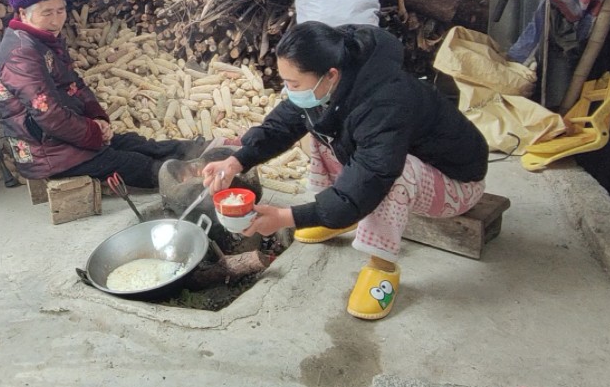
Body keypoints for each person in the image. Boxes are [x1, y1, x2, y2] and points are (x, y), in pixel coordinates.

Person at [202, 22, 488, 320]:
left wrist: (285, 218)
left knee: (394, 173)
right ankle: (336, 214)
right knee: (318, 127)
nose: (289, 90)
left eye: (294, 84)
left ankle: (382, 269)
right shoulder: (333, 79)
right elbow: (283, 124)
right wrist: (236, 161)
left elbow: (374, 178)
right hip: (401, 162)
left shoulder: (385, 102)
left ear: (331, 76)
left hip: (457, 183)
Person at [0, 0, 207, 189]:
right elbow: (49, 115)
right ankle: (197, 179)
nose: (56, 20)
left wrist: (97, 118)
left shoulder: (42, 40)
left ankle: (206, 151)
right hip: (48, 153)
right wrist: (93, 132)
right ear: (23, 13)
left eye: (60, 11)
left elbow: (74, 84)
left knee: (135, 144)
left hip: (65, 138)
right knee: (133, 163)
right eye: (47, 13)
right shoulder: (21, 54)